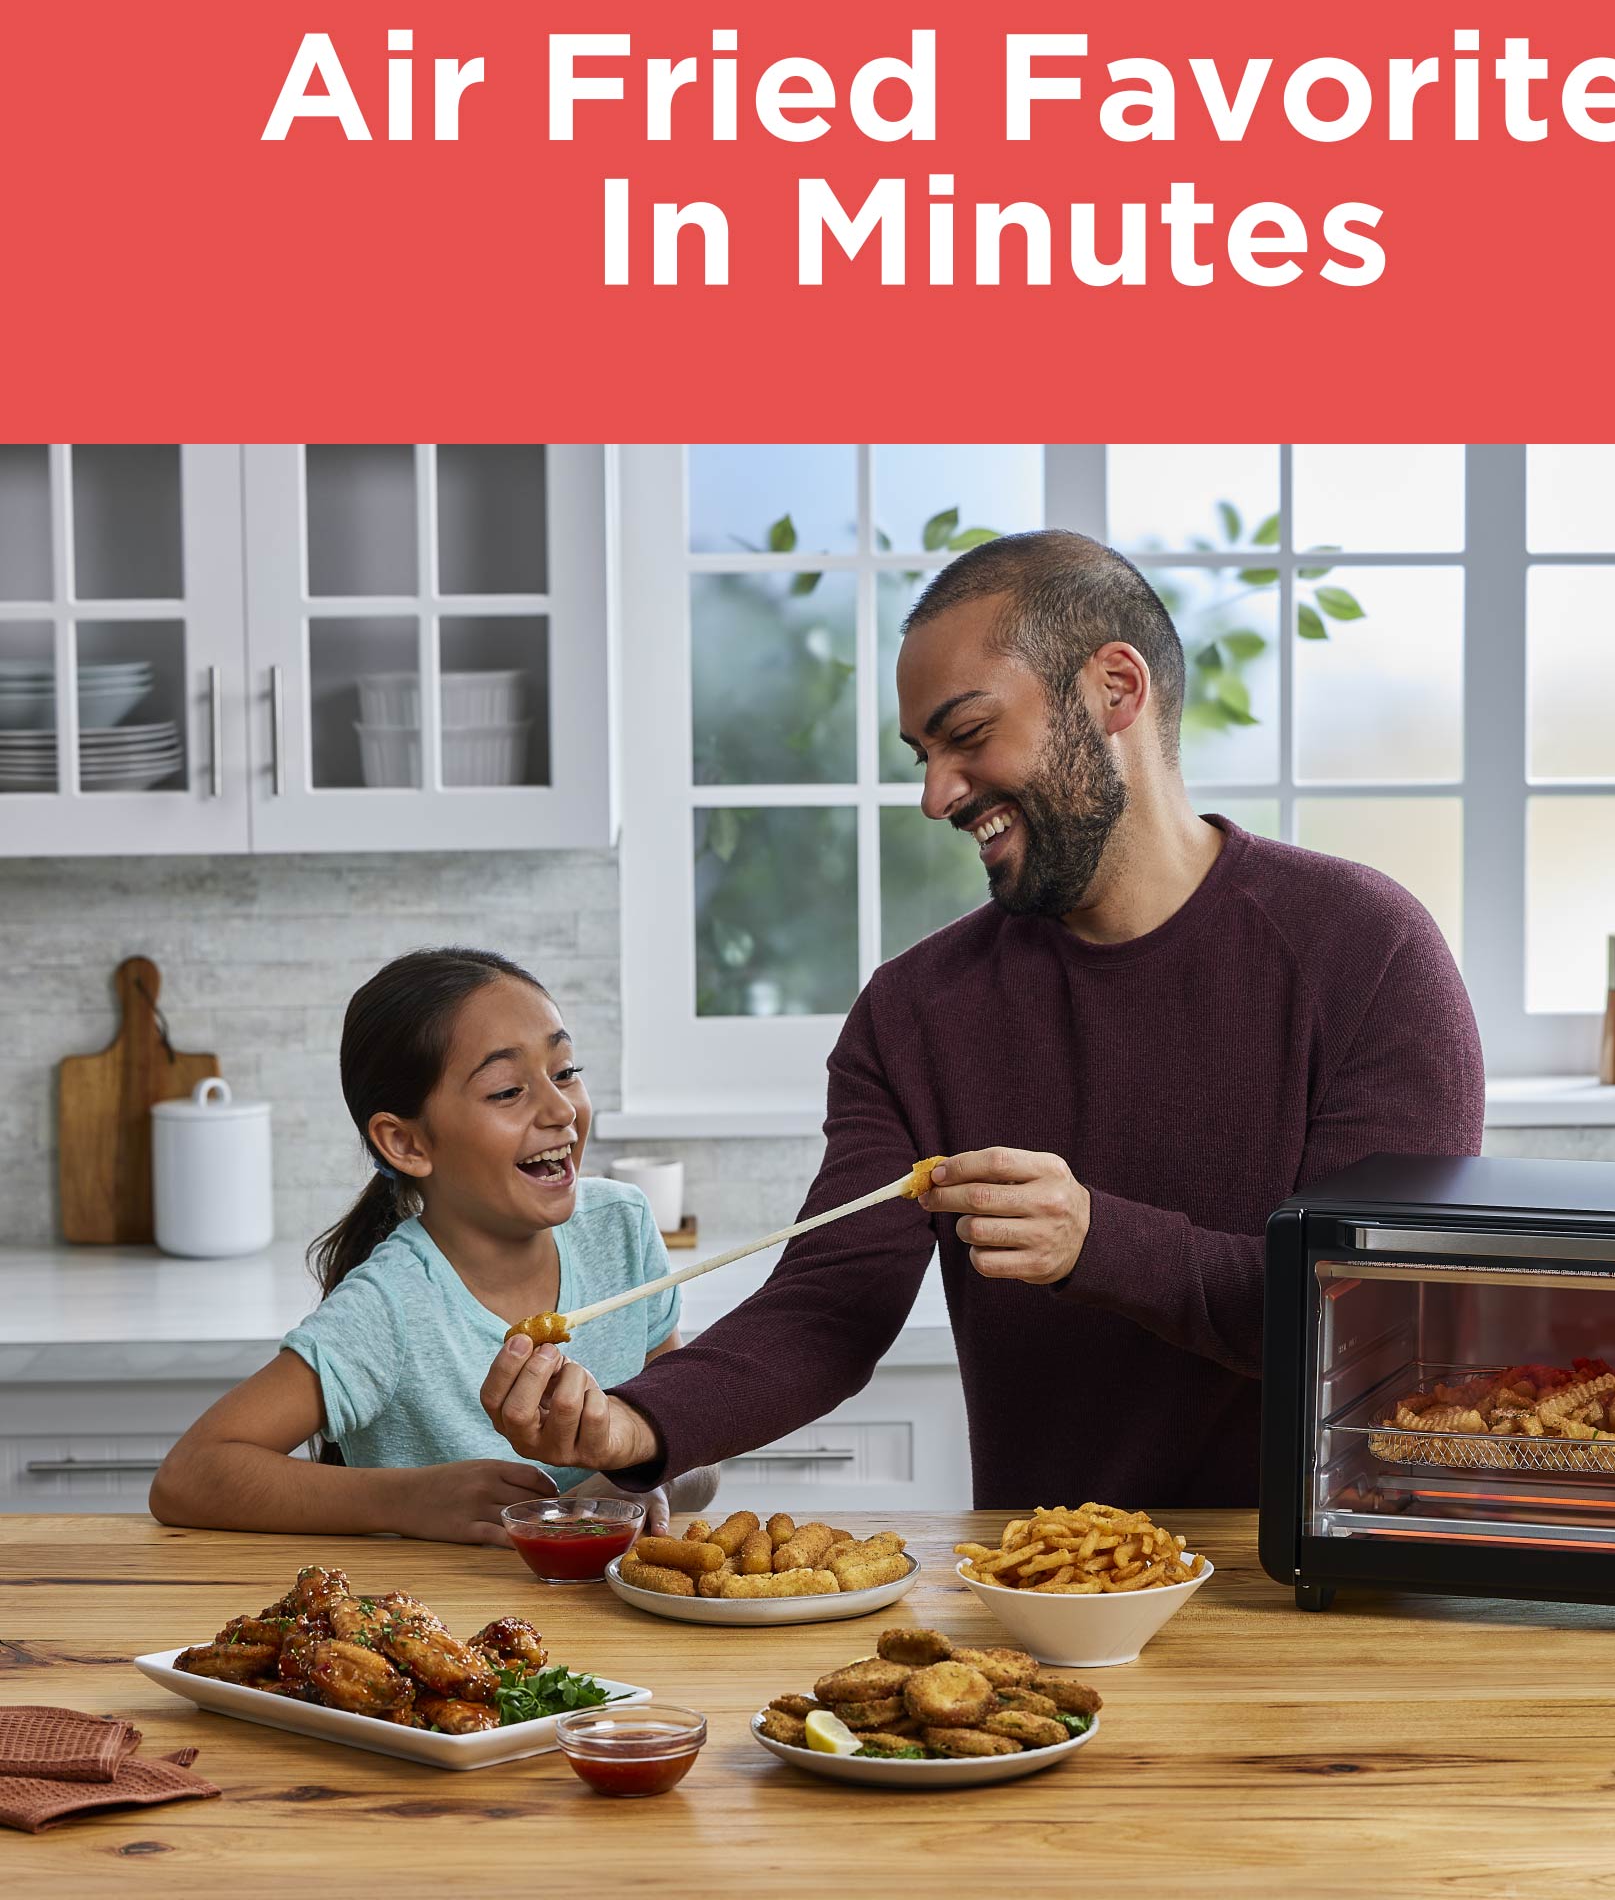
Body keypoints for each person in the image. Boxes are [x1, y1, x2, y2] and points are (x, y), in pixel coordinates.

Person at [481, 531, 1484, 1506]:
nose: (933, 794)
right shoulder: (915, 1015)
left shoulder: (1366, 950)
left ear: (1114, 690)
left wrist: (1100, 1239)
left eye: (965, 735)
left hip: (1320, 1591)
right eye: (922, 752)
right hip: (1041, 1596)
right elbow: (829, 1307)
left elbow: (1381, 1317)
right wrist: (631, 1425)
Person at [150, 946, 714, 1544]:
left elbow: (702, 1450)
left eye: (566, 1071)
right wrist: (409, 1500)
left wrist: (645, 1474)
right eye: (506, 1091)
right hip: (443, 1625)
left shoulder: (620, 1228)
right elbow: (188, 1476)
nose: (560, 1109)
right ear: (406, 1143)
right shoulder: (391, 1304)